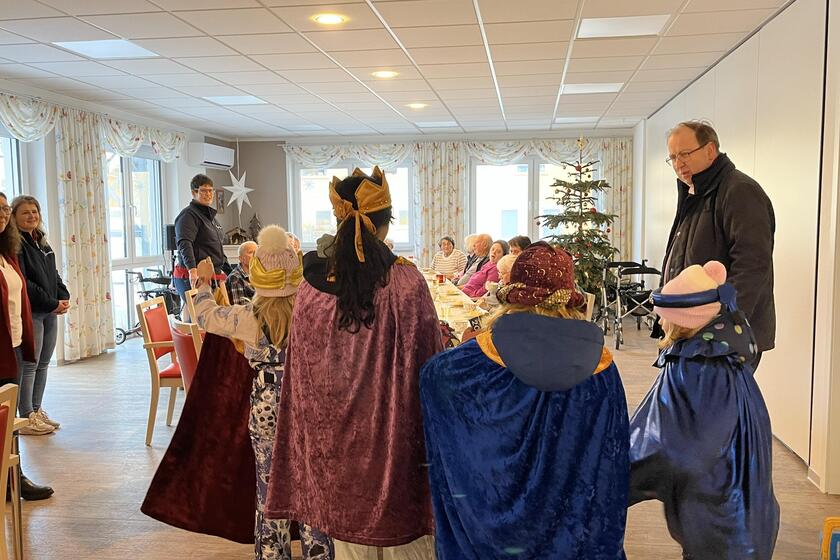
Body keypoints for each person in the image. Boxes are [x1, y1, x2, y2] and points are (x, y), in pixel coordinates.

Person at [264, 167, 440, 558]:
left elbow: (304, 379)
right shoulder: (407, 285)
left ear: (338, 220)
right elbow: (430, 371)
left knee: (350, 551)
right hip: (393, 459)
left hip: (335, 459)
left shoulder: (310, 288)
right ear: (384, 224)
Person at [420, 241, 629, 559]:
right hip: (571, 538)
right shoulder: (601, 370)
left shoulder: (465, 368)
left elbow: (434, 376)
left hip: (484, 541)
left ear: (511, 291)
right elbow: (610, 464)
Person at [191, 226, 333, 560]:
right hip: (308, 401)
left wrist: (203, 283)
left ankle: (272, 554)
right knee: (313, 485)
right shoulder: (314, 313)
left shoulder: (247, 317)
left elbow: (205, 315)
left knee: (269, 487)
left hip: (266, 403)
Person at [629, 261, 779, 559]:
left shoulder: (697, 367)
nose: (661, 324)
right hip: (744, 497)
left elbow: (686, 447)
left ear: (683, 321)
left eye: (664, 318)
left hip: (716, 505)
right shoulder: (728, 353)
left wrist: (629, 467)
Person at [662, 120, 775, 362]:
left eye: (684, 154)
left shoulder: (739, 191)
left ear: (710, 150)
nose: (678, 163)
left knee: (715, 400)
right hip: (692, 331)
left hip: (722, 337)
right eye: (672, 157)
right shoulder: (696, 193)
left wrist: (720, 322)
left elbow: (752, 266)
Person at [0, 192, 53, 500]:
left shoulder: (8, 251)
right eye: (2, 209)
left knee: (8, 419)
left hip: (15, 343)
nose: (4, 214)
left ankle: (13, 478)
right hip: (1, 347)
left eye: (5, 208)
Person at [11, 195, 68, 435]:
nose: (32, 216)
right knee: (29, 365)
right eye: (26, 212)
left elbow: (53, 275)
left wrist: (63, 296)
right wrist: (51, 303)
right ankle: (25, 416)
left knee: (44, 364)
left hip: (49, 311)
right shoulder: (16, 245)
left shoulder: (42, 242)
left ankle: (36, 409)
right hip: (33, 312)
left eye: (35, 211)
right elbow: (25, 282)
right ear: (14, 216)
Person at [173, 174, 228, 318]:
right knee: (199, 321)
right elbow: (185, 243)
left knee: (215, 320)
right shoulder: (188, 216)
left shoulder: (211, 218)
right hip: (192, 275)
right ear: (194, 192)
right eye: (203, 190)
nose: (208, 194)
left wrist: (227, 269)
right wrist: (192, 270)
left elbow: (216, 247)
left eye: (211, 190)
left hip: (213, 275)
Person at [226, 240, 257, 305]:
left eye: (257, 252)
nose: (255, 255)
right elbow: (240, 309)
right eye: (251, 252)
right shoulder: (235, 278)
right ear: (241, 258)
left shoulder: (258, 274)